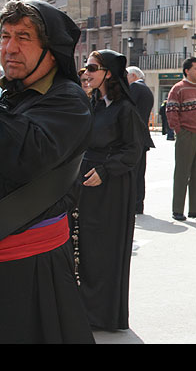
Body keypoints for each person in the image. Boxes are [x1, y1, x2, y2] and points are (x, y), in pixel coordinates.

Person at [0, 0, 94, 343]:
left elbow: (24, 155)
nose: (10, 47)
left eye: (23, 37)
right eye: (5, 36)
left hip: (29, 268)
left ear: (51, 51)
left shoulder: (68, 100)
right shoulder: (11, 95)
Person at [75, 49, 146, 331]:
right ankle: (86, 310)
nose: (87, 72)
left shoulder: (124, 109)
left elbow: (133, 150)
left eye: (93, 67)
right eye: (86, 68)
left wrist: (105, 171)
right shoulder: (93, 104)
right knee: (87, 248)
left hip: (111, 188)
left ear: (108, 73)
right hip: (87, 185)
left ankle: (103, 315)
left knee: (104, 249)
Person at [166, 57, 196, 221]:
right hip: (187, 133)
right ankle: (177, 209)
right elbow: (171, 110)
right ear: (187, 71)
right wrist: (178, 130)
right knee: (182, 172)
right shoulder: (178, 89)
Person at [126, 66, 155, 215]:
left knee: (133, 172)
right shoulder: (146, 89)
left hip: (134, 136)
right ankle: (138, 204)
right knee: (139, 173)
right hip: (142, 136)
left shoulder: (135, 88)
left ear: (132, 76)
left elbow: (127, 109)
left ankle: (133, 204)